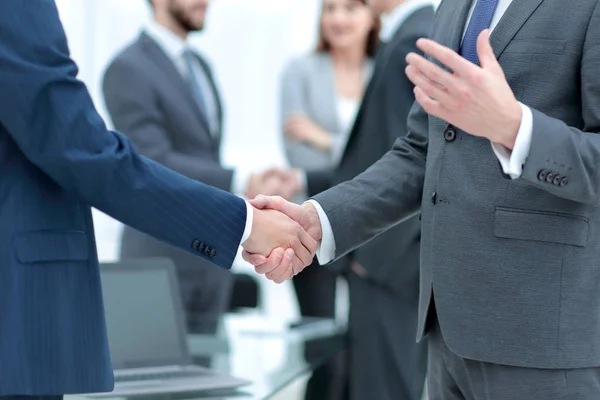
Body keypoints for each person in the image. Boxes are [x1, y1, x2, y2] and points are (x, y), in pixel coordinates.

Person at [246, 0, 600, 398]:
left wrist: (516, 130)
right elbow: (422, 150)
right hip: (444, 330)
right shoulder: (452, 6)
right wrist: (321, 219)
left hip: (540, 337)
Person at [0, 1, 313, 399]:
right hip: (57, 289)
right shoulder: (123, 63)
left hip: (201, 268)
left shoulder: (203, 68)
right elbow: (82, 147)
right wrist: (245, 222)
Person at [102, 0, 289, 335]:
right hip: (157, 263)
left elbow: (203, 154)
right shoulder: (127, 67)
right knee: (158, 381)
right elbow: (150, 159)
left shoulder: (200, 65)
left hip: (208, 258)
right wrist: (242, 178)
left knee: (211, 380)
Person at [302, 0, 434, 398]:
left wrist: (369, 259)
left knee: (384, 387)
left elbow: (411, 161)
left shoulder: (412, 37)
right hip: (393, 261)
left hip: (386, 265)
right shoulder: (416, 27)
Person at [278, 1, 377, 398]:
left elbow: (392, 154)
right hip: (310, 225)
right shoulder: (299, 71)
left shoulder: (384, 71)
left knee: (365, 353)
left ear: (372, 15)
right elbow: (297, 158)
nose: (338, 18)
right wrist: (358, 154)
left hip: (373, 228)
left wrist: (322, 138)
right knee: (323, 357)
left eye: (351, 7)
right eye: (329, 8)